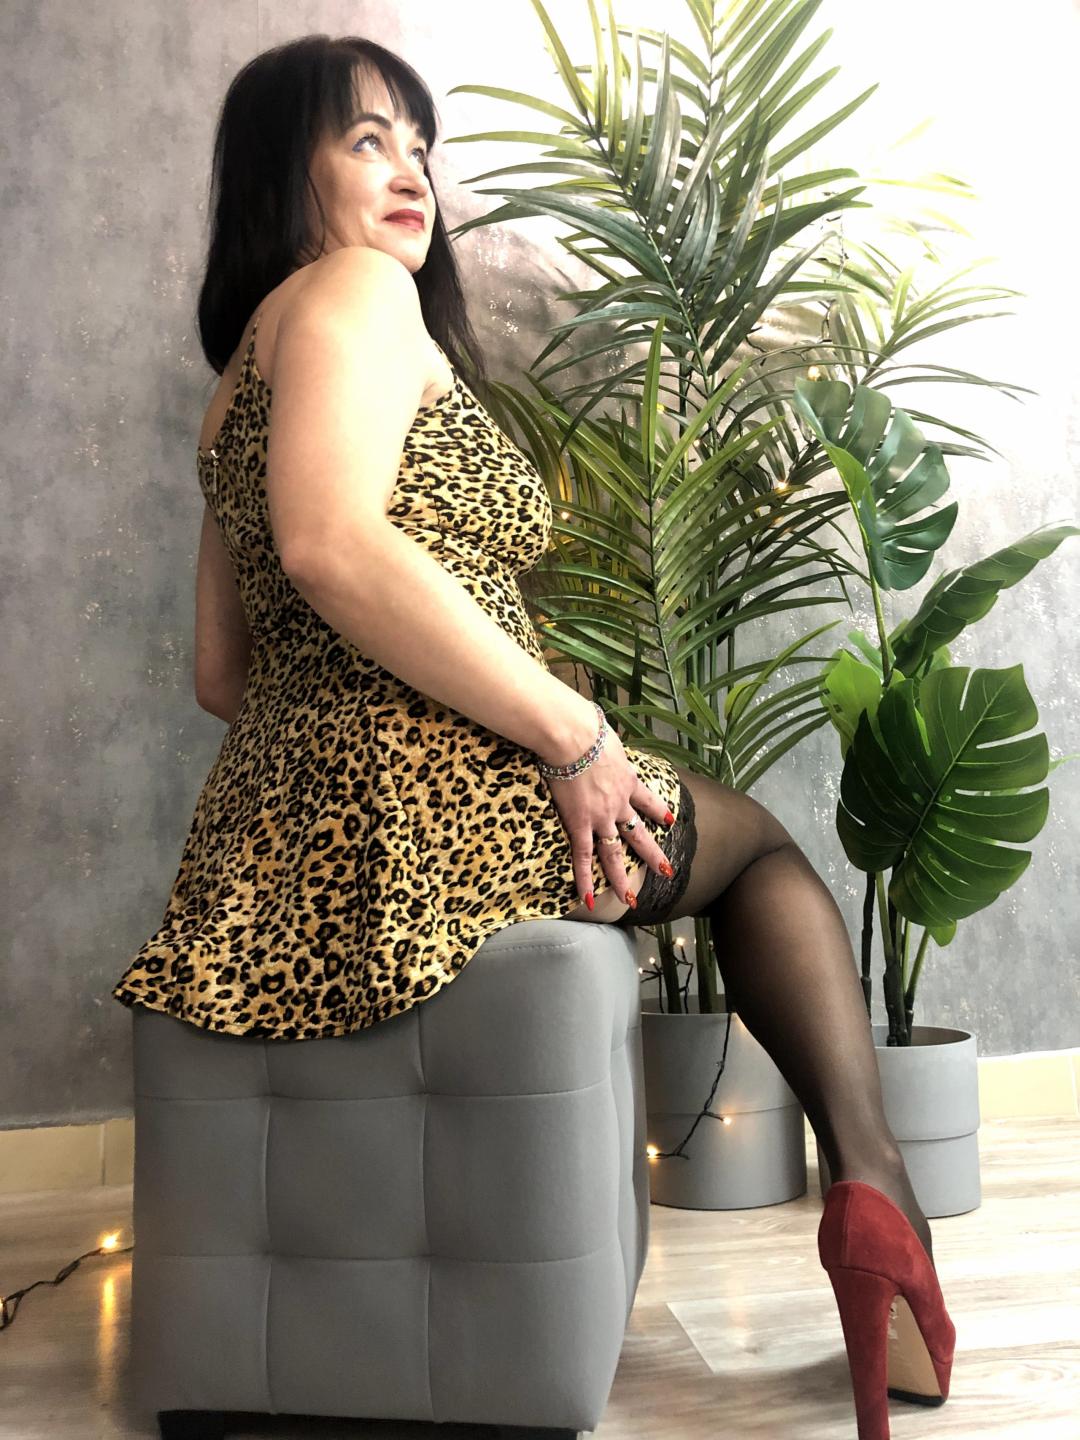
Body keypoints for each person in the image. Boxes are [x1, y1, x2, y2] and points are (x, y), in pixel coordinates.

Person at [111, 34, 954, 1434]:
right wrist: (570, 737)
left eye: (420, 144)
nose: (413, 172)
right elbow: (329, 545)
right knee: (761, 855)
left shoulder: (235, 380)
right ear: (280, 169)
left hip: (267, 836)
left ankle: (879, 1215)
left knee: (728, 844)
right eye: (366, 139)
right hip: (430, 807)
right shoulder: (358, 293)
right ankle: (881, 1202)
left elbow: (221, 674)